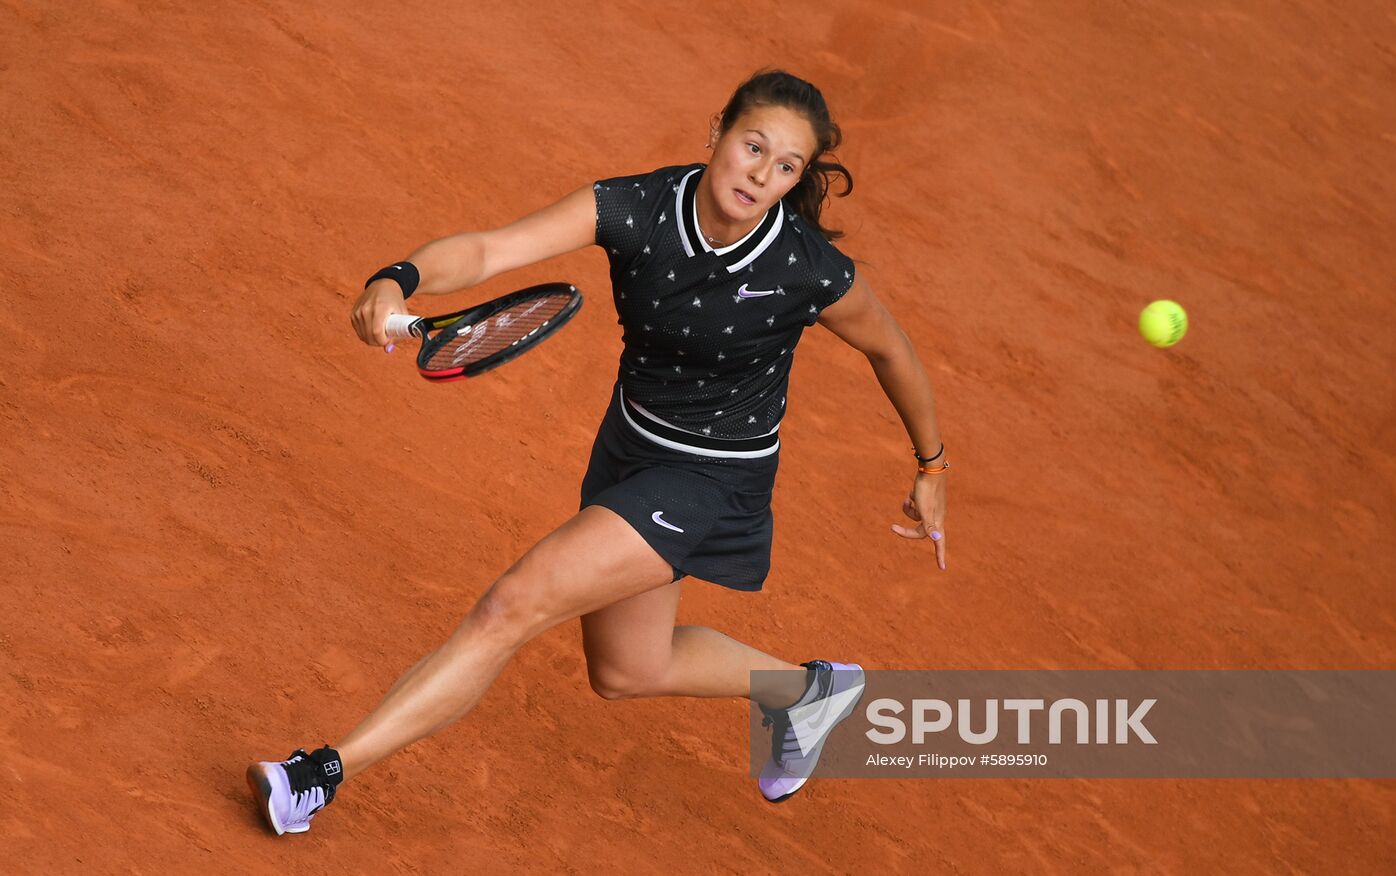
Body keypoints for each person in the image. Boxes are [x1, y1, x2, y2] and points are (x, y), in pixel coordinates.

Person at [247, 69, 949, 835]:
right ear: (717, 131)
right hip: (630, 446)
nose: (762, 173)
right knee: (626, 671)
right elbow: (489, 250)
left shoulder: (806, 268)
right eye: (754, 146)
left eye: (786, 165)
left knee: (510, 606)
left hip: (711, 477)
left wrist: (932, 464)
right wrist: (399, 277)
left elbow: (893, 351)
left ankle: (317, 777)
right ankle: (806, 694)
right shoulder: (636, 207)